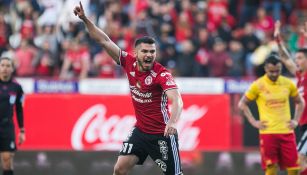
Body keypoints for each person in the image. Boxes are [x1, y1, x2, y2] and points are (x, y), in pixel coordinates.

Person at [73, 2, 184, 175]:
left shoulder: (161, 74)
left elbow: (177, 99)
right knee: (119, 169)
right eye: (145, 51)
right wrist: (85, 19)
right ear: (136, 53)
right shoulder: (128, 62)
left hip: (162, 134)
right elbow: (103, 40)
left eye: (152, 52)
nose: (149, 55)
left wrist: (172, 122)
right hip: (140, 131)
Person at [238, 55, 305, 175]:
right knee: (271, 168)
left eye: (277, 71)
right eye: (271, 71)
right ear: (265, 69)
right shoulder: (258, 85)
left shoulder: (287, 83)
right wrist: (253, 121)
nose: (274, 74)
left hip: (287, 132)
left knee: (294, 168)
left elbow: (300, 102)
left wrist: (296, 120)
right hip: (268, 133)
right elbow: (242, 104)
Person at [274, 20, 307, 175]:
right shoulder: (300, 77)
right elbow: (285, 59)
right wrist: (278, 41)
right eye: (297, 58)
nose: (296, 61)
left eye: (300, 58)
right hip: (302, 124)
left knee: (299, 159)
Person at [0, 57, 26, 175]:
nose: (5, 68)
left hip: (7, 125)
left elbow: (19, 109)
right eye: (2, 65)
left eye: (7, 66)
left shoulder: (17, 87)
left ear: (12, 69)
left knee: (7, 159)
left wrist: (21, 130)